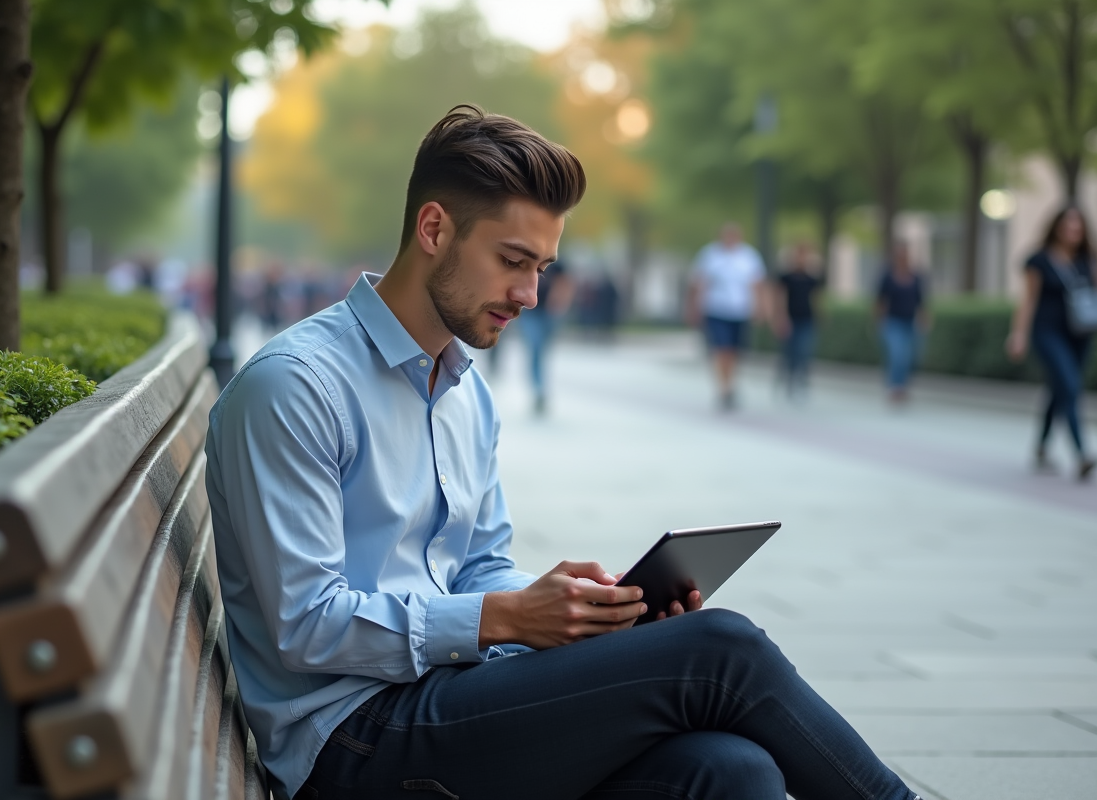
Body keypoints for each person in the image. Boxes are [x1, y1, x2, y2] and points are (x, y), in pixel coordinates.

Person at [204, 105, 920, 800]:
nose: (532, 294)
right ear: (433, 229)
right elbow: (305, 626)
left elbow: (479, 565)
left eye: (543, 267)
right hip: (354, 742)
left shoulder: (463, 390)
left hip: (447, 695)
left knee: (732, 770)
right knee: (720, 653)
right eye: (513, 261)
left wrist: (583, 617)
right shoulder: (294, 388)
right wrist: (508, 619)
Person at [1006, 206, 1095, 480]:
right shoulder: (1039, 261)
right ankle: (1082, 453)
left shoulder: (1086, 260)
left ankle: (1042, 447)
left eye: (1077, 227)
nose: (1073, 232)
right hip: (1047, 332)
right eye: (1068, 226)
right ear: (1056, 227)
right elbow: (1028, 300)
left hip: (1080, 334)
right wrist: (1018, 334)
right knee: (1069, 385)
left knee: (1059, 390)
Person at [687, 223, 767, 410]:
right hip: (716, 309)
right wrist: (693, 307)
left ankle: (730, 382)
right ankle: (724, 388)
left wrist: (761, 307)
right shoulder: (710, 255)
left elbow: (758, 284)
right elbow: (698, 283)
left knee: (735, 351)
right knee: (722, 349)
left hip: (740, 311)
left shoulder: (749, 256)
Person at [875, 243, 930, 404]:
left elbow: (921, 301)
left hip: (911, 322)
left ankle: (903, 385)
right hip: (893, 322)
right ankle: (894, 386)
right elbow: (880, 300)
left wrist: (924, 319)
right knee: (897, 354)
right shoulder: (887, 276)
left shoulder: (916, 277)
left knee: (910, 356)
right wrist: (879, 321)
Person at [518, 258, 574, 414]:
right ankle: (538, 389)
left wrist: (559, 304)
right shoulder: (530, 255)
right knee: (535, 349)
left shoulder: (557, 262)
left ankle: (540, 388)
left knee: (541, 352)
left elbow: (565, 284)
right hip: (530, 312)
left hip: (549, 314)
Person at [772, 241, 824, 399]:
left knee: (804, 350)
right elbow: (779, 297)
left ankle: (801, 378)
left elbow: (816, 298)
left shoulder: (811, 278)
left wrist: (820, 315)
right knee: (790, 351)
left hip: (807, 318)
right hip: (790, 318)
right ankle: (788, 378)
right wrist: (780, 317)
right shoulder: (786, 277)